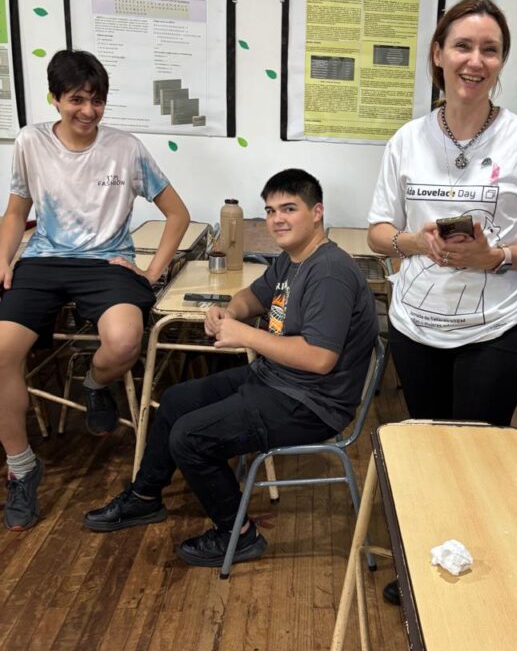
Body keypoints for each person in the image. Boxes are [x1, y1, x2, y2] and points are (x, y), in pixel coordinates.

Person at [368, 0, 517, 603]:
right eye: (462, 46)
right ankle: (429, 567)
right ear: (438, 54)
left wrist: (495, 257)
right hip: (416, 327)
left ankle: (478, 574)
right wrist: (415, 242)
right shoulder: (407, 139)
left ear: (501, 62)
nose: (475, 60)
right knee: (427, 454)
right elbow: (378, 231)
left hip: (494, 330)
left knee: (481, 458)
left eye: (490, 50)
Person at [84, 169, 379, 568]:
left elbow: (319, 358)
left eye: (289, 209)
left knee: (189, 437)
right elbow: (251, 296)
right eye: (271, 210)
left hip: (313, 404)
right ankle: (144, 497)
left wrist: (246, 335)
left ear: (317, 212)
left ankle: (238, 535)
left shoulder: (329, 272)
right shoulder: (293, 260)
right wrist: (228, 312)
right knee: (175, 401)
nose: (277, 219)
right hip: (277, 380)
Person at [0, 49, 189, 532]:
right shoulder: (31, 141)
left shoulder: (126, 148)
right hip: (44, 261)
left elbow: (178, 214)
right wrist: (3, 258)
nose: (88, 111)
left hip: (107, 262)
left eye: (97, 100)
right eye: (76, 100)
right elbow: (16, 211)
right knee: (0, 353)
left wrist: (151, 272)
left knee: (124, 342)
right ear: (55, 99)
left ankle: (95, 383)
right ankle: (22, 468)